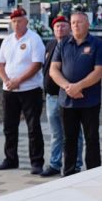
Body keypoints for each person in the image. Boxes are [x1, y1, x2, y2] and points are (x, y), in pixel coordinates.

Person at [50, 9, 102, 175]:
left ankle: (94, 173)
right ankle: (69, 172)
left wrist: (78, 86)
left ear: (88, 24)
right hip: (68, 101)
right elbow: (54, 70)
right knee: (69, 139)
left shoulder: (97, 44)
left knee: (91, 139)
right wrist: (68, 87)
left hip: (90, 101)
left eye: (79, 22)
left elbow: (99, 71)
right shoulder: (63, 44)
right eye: (73, 23)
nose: (75, 26)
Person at [0, 6, 46, 173]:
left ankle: (36, 162)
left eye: (20, 21)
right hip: (9, 90)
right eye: (14, 21)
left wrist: (19, 80)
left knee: (33, 127)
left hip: (30, 89)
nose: (16, 24)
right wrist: (7, 80)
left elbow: (37, 64)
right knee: (9, 126)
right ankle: (10, 158)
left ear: (26, 21)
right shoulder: (7, 40)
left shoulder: (34, 39)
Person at [41, 14, 77, 177]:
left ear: (69, 28)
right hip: (51, 96)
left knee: (73, 133)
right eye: (57, 26)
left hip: (67, 95)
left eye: (63, 25)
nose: (60, 29)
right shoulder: (50, 44)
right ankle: (55, 163)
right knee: (55, 133)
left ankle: (75, 164)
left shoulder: (72, 45)